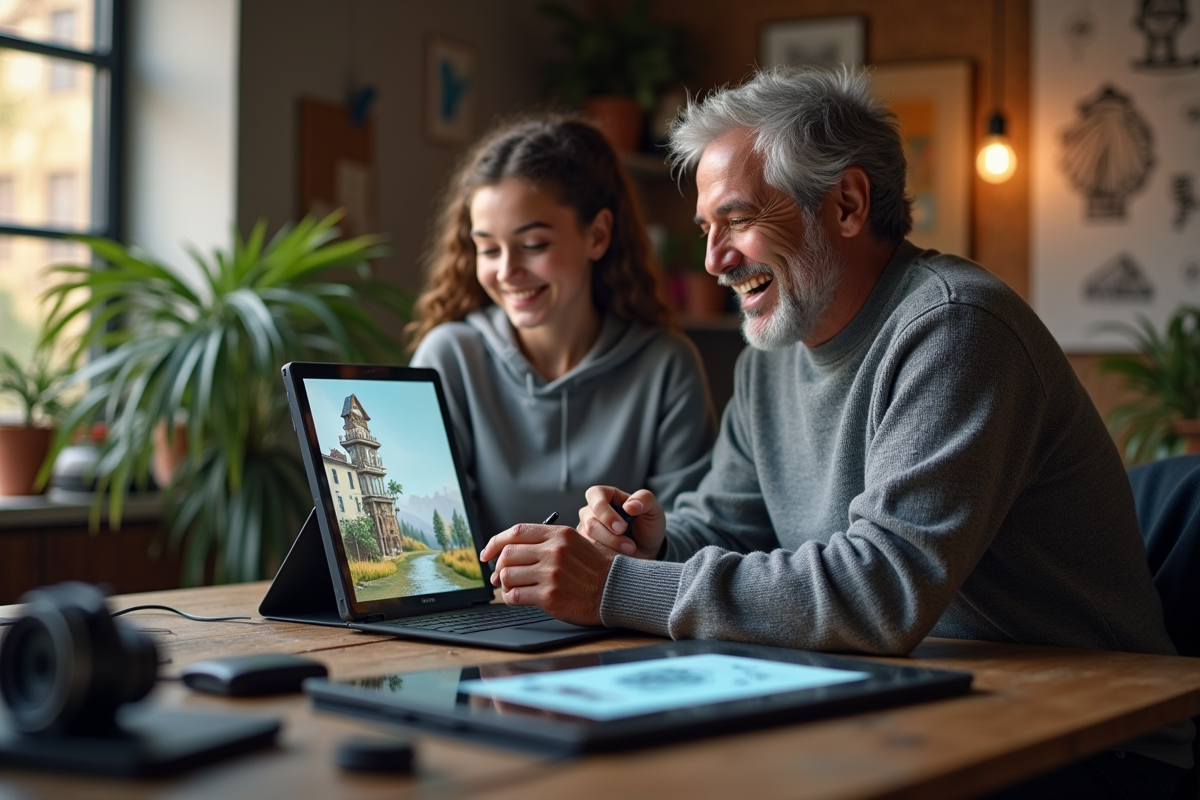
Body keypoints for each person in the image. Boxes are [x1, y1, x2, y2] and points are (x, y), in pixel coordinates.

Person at [478, 68, 1194, 796]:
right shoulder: (774, 350)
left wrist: (617, 586)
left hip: (1096, 741)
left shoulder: (955, 327)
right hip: (915, 705)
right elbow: (731, 521)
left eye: (739, 219)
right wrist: (651, 542)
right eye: (706, 229)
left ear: (847, 204)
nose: (714, 261)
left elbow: (878, 591)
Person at [407, 114, 715, 539]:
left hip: (618, 603)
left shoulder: (667, 365)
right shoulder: (450, 357)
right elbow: (434, 542)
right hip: (490, 603)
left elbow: (692, 534)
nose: (507, 271)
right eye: (487, 249)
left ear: (598, 235)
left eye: (533, 245)